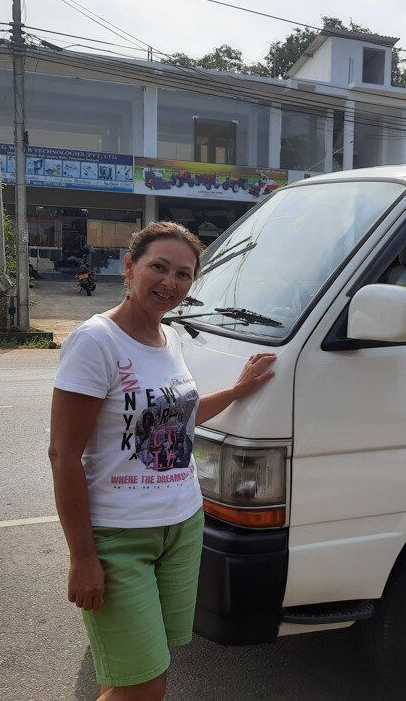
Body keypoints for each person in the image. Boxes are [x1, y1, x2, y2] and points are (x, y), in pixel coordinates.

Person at [48, 221, 275, 701]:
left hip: (182, 525)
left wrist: (239, 390)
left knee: (143, 668)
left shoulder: (169, 338)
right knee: (144, 688)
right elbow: (63, 455)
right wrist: (83, 556)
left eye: (184, 274)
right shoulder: (96, 342)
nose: (170, 282)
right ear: (129, 268)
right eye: (158, 267)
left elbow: (179, 419)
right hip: (119, 537)